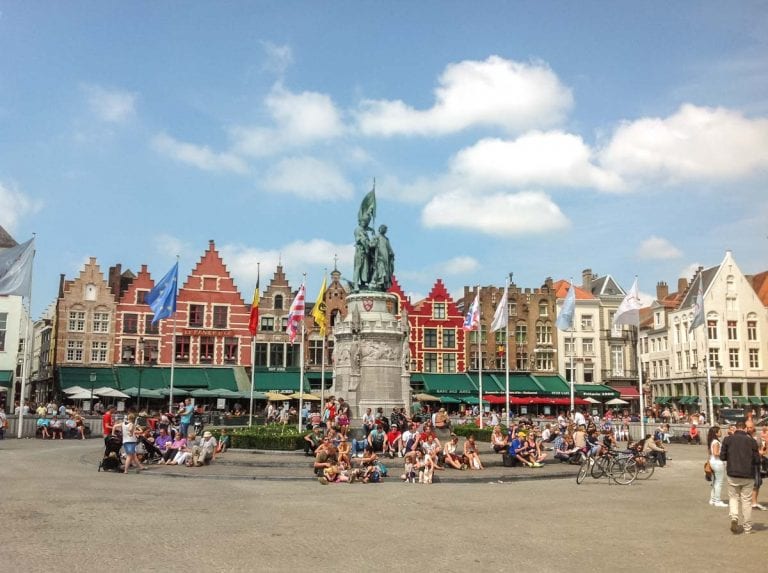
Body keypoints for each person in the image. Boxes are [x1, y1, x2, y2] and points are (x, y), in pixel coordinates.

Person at [720, 421, 760, 534]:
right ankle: (747, 527)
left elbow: (722, 457)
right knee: (746, 501)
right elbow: (757, 460)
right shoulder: (752, 441)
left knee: (733, 498)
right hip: (748, 475)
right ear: (745, 429)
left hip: (732, 474)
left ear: (735, 428)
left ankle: (734, 517)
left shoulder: (728, 440)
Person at [707, 426, 727, 507]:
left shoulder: (712, 441)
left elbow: (710, 453)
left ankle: (713, 499)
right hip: (718, 463)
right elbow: (716, 453)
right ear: (716, 433)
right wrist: (725, 453)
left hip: (713, 462)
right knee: (719, 482)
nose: (721, 432)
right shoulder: (716, 442)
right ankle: (717, 500)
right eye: (719, 431)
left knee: (715, 481)